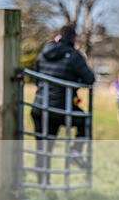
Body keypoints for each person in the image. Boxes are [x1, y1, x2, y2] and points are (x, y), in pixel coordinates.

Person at [31, 25, 96, 181]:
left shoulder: (44, 52)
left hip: (39, 106)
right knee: (84, 120)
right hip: (60, 108)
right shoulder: (74, 56)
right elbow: (90, 79)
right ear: (73, 38)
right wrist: (75, 82)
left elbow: (36, 77)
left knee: (43, 148)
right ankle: (76, 152)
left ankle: (42, 186)